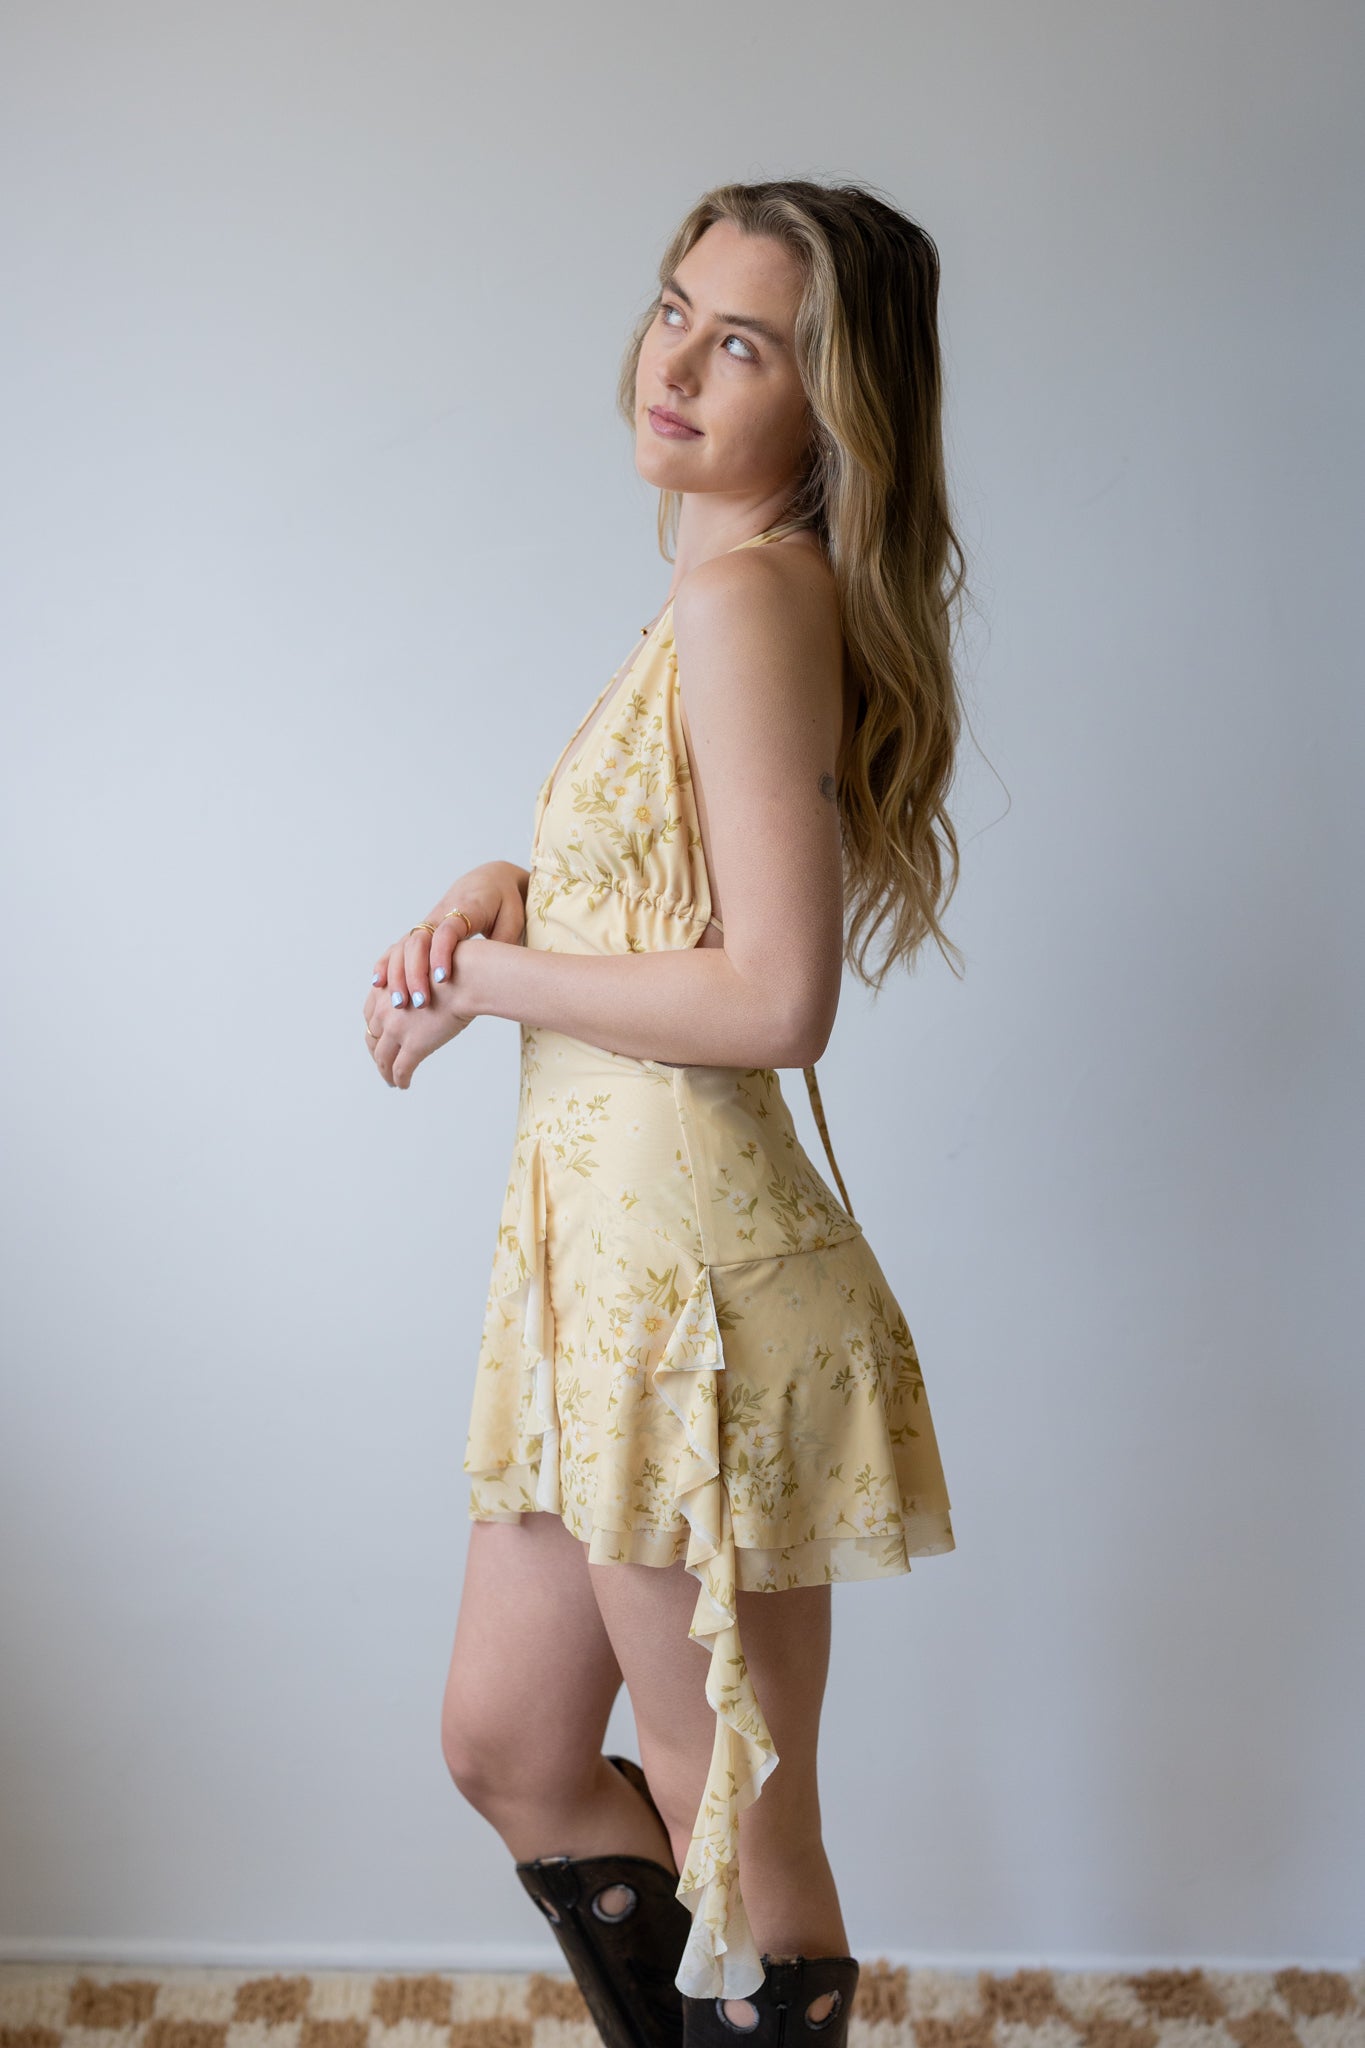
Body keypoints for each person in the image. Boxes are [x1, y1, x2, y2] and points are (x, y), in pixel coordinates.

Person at [363, 176, 967, 2047]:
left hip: (694, 1307)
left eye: (747, 343)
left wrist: (487, 984)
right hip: (597, 1286)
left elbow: (774, 999)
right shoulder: (708, 598)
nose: (680, 365)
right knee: (507, 1742)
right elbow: (684, 907)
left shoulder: (744, 594)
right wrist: (509, 883)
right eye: (674, 310)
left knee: (743, 1844)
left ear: (832, 402)